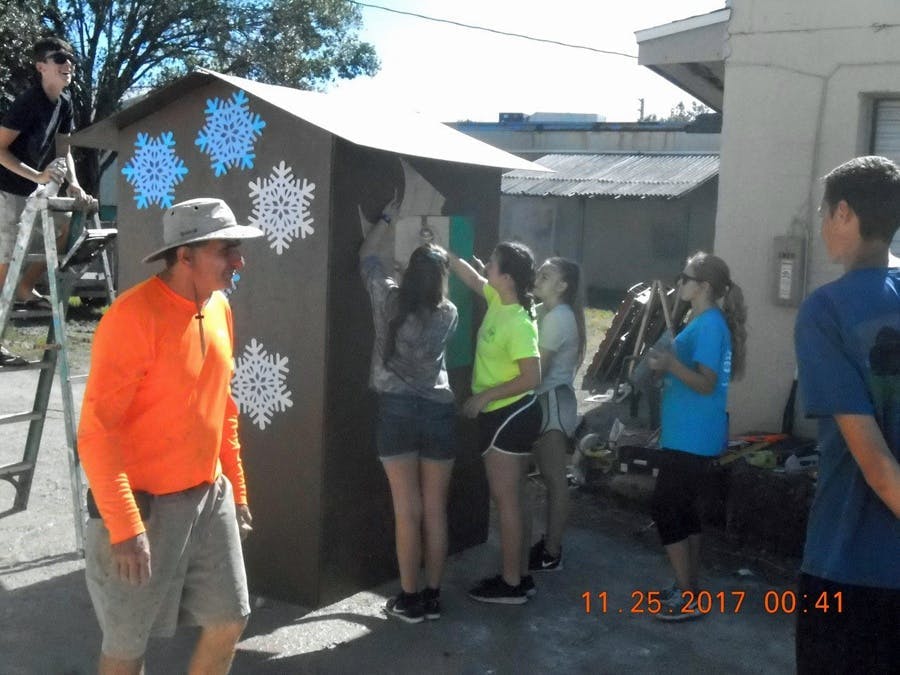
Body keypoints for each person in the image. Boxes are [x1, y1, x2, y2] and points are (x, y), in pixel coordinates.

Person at [77, 198, 262, 674]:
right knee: (126, 646)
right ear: (185, 256)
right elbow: (97, 431)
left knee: (230, 619)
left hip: (208, 496)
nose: (239, 261)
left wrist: (237, 492)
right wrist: (124, 526)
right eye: (227, 250)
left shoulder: (219, 307)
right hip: (142, 507)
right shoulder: (131, 317)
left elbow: (223, 407)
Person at [793, 155, 900, 673]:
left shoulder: (826, 310)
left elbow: (877, 466)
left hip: (848, 565)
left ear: (844, 214)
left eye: (822, 214)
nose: (820, 228)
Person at [359, 200, 459, 624]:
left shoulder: (388, 301)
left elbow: (366, 257)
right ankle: (434, 595)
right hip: (438, 411)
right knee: (435, 509)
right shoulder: (449, 313)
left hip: (395, 410)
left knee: (407, 509)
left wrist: (386, 219)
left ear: (407, 274)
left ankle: (409, 598)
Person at [646, 251, 747, 620]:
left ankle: (687, 595)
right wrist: (665, 369)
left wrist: (670, 364)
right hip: (686, 433)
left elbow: (706, 383)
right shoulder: (702, 321)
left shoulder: (709, 325)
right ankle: (688, 586)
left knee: (665, 508)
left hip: (692, 436)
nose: (679, 283)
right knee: (684, 510)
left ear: (704, 286)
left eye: (684, 277)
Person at [449, 241, 541, 604]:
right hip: (505, 415)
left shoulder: (518, 321)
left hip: (508, 416)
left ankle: (511, 584)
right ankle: (520, 575)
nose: (486, 265)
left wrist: (485, 396)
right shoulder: (497, 298)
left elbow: (532, 377)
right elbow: (472, 279)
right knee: (514, 498)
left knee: (505, 502)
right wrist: (443, 251)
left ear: (507, 277)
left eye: (492, 263)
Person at [0, 37, 91, 367]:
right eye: (59, 58)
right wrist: (37, 177)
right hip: (6, 189)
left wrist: (75, 186)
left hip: (32, 191)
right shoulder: (28, 103)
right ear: (41, 67)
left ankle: (26, 286)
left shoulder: (64, 102)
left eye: (70, 59)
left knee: (62, 228)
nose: (68, 64)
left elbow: (64, 151)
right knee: (4, 265)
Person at [526, 257, 586, 573]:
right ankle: (549, 545)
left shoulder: (559, 317)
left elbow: (538, 372)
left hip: (551, 404)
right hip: (548, 402)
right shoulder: (547, 312)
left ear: (562, 286)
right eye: (539, 273)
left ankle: (552, 552)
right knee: (551, 479)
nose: (538, 278)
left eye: (546, 275)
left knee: (554, 480)